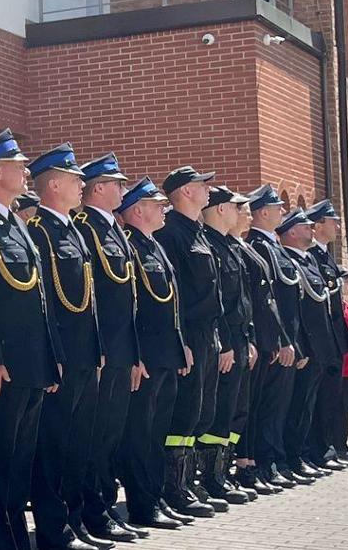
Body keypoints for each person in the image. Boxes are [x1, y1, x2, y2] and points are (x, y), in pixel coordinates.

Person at [0, 129, 61, 550]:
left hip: (33, 363)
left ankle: (16, 537)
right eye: (18, 166)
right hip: (4, 366)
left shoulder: (18, 225)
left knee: (20, 461)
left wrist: (51, 357)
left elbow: (40, 298)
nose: (26, 172)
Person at [22, 145, 106, 550]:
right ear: (53, 183)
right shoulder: (39, 231)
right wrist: (52, 356)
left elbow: (88, 298)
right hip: (62, 359)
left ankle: (74, 521)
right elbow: (44, 303)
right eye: (75, 179)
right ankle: (53, 529)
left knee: (79, 445)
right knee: (53, 447)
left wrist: (98, 348)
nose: (82, 185)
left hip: (86, 357)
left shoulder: (73, 229)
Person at [71, 154, 147, 544]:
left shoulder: (114, 229)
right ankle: (92, 513)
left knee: (109, 439)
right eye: (116, 184)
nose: (122, 189)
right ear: (98, 188)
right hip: (101, 354)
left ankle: (104, 508)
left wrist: (134, 355)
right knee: (94, 440)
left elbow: (128, 297)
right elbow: (91, 297)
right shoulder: (85, 227)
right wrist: (99, 350)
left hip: (121, 352)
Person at [116, 179, 194, 530]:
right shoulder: (130, 246)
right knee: (141, 434)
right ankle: (142, 505)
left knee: (157, 432)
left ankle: (155, 496)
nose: (163, 208)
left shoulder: (154, 246)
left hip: (165, 354)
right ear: (137, 211)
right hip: (147, 356)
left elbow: (171, 304)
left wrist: (181, 347)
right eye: (155, 204)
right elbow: (131, 308)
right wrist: (137, 355)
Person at [151, 167, 223, 517]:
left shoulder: (200, 232)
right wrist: (182, 340)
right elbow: (173, 292)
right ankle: (174, 488)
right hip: (190, 334)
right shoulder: (171, 233)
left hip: (208, 333)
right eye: (200, 185)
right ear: (183, 192)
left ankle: (189, 481)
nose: (206, 190)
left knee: (203, 411)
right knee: (185, 413)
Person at [223, 191, 283, 497]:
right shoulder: (235, 247)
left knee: (253, 406)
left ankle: (250, 462)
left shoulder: (244, 247)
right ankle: (242, 464)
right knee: (240, 408)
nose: (245, 215)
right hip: (246, 339)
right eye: (241, 210)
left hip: (258, 339)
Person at [242, 186, 303, 488]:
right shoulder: (258, 246)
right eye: (277, 207)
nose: (282, 211)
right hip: (272, 341)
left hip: (284, 339)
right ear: (262, 212)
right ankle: (266, 462)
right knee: (268, 407)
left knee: (280, 406)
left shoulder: (273, 245)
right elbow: (269, 301)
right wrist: (280, 340)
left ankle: (276, 459)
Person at [197, 187, 254, 505]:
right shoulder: (211, 245)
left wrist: (249, 340)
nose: (240, 211)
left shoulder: (229, 246)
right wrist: (226, 344)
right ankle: (210, 477)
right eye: (236, 206)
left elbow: (241, 301)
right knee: (217, 414)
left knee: (235, 412)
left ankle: (221, 472)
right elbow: (215, 305)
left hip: (240, 341)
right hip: (224, 344)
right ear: (220, 210)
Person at [279, 210, 344, 482]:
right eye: (305, 226)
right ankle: (295, 456)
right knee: (296, 407)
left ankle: (304, 454)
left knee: (307, 405)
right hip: (305, 347)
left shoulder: (308, 261)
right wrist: (301, 346)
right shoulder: (291, 260)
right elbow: (296, 312)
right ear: (292, 232)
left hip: (319, 346)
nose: (310, 230)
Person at [305, 200, 348, 466]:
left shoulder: (324, 256)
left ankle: (334, 445)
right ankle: (324, 447)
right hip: (322, 338)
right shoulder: (312, 256)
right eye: (333, 221)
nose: (338, 226)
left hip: (335, 337)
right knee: (324, 398)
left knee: (336, 395)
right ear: (318, 226)